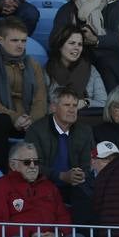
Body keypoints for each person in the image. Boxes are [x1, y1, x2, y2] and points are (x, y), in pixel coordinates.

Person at [0, 17, 49, 168]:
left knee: (49, 123)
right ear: (1, 40)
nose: (20, 45)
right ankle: (1, 174)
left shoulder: (34, 65)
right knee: (2, 120)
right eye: (15, 40)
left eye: (23, 41)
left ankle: (44, 177)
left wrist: (31, 119)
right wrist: (14, 117)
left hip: (28, 122)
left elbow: (40, 100)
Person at [23, 88, 99, 218]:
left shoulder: (85, 131)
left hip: (75, 187)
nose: (72, 109)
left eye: (75, 105)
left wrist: (80, 175)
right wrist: (61, 176)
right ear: (53, 107)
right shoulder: (36, 130)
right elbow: (31, 165)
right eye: (66, 105)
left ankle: (81, 236)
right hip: (43, 185)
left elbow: (89, 164)